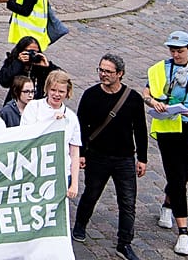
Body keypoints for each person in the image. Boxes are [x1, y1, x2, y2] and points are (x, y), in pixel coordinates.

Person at [72, 54, 148, 260]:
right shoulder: (90, 95)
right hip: (97, 156)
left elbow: (140, 129)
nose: (103, 75)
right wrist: (81, 153)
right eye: (101, 70)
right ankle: (80, 225)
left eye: (108, 71)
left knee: (127, 202)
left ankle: (124, 243)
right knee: (91, 194)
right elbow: (81, 127)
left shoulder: (132, 99)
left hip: (124, 158)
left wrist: (142, 158)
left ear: (120, 74)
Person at [145, 30, 188, 257]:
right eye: (173, 51)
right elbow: (146, 92)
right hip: (168, 129)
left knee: (182, 176)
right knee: (176, 177)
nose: (176, 54)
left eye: (180, 51)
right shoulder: (159, 69)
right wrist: (154, 102)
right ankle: (183, 231)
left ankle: (167, 205)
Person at [20, 69, 81, 203]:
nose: (57, 94)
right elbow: (26, 137)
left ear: (67, 93)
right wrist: (52, 123)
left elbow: (74, 152)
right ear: (47, 89)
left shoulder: (71, 117)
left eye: (61, 91)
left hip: (61, 174)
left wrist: (74, 183)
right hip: (35, 172)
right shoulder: (33, 107)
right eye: (53, 90)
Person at [0, 36, 59, 103]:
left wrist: (48, 67)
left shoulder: (41, 66)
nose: (32, 55)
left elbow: (63, 79)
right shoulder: (14, 62)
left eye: (35, 52)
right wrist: (18, 63)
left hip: (37, 104)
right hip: (16, 104)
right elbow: (3, 81)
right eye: (29, 51)